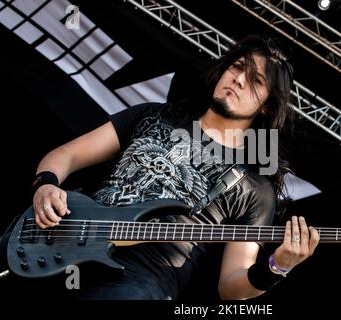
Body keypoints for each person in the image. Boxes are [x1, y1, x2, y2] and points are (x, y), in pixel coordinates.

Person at [28, 34, 320, 300]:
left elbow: (231, 286)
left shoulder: (255, 187)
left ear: (267, 107)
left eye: (256, 81)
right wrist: (47, 185)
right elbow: (67, 154)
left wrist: (277, 267)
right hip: (61, 246)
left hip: (138, 281)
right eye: (238, 67)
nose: (240, 79)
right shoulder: (153, 115)